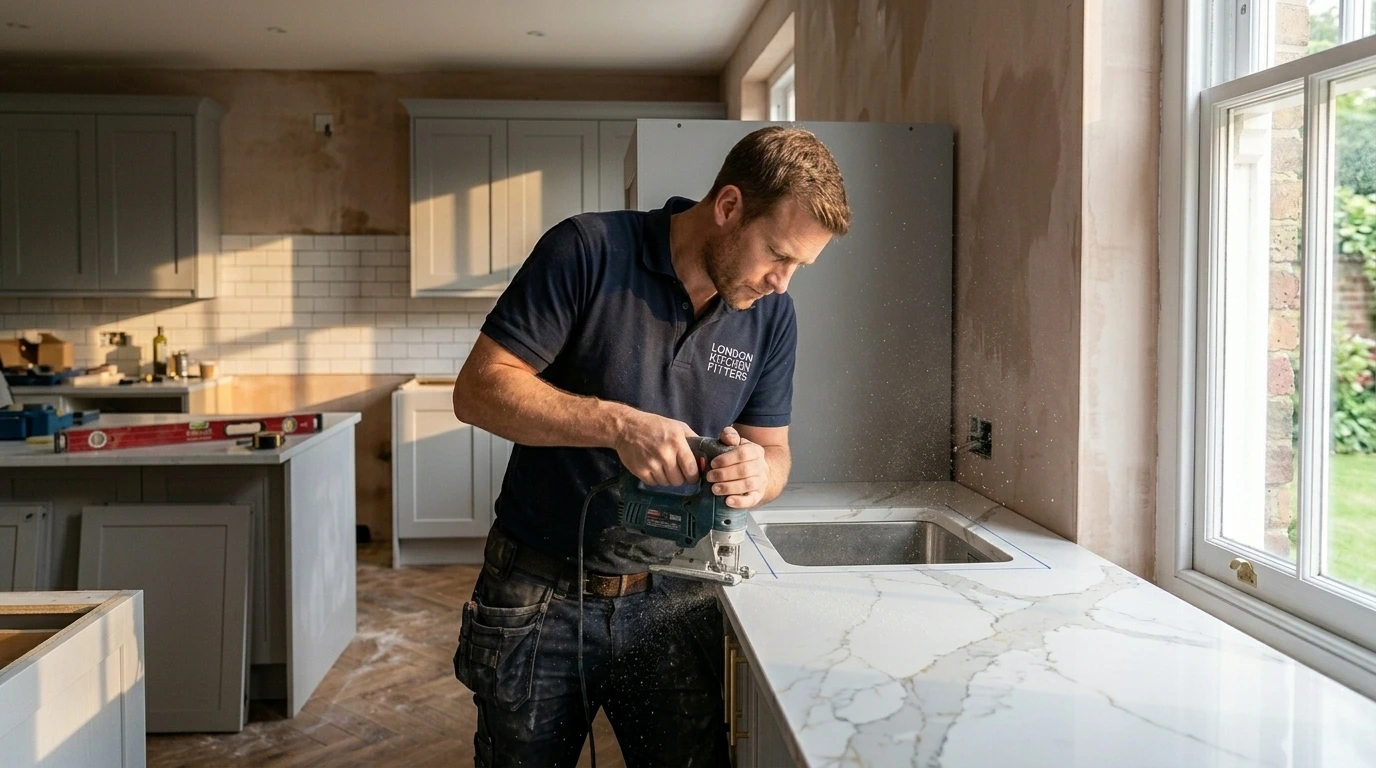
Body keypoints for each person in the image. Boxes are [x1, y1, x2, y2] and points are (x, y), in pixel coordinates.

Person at [450, 125, 851, 768]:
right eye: (778, 255)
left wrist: (758, 473)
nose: (783, 283)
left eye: (800, 266)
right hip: (540, 592)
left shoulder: (772, 315)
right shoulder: (587, 250)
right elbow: (477, 391)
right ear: (727, 207)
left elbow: (775, 454)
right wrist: (618, 425)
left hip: (678, 594)